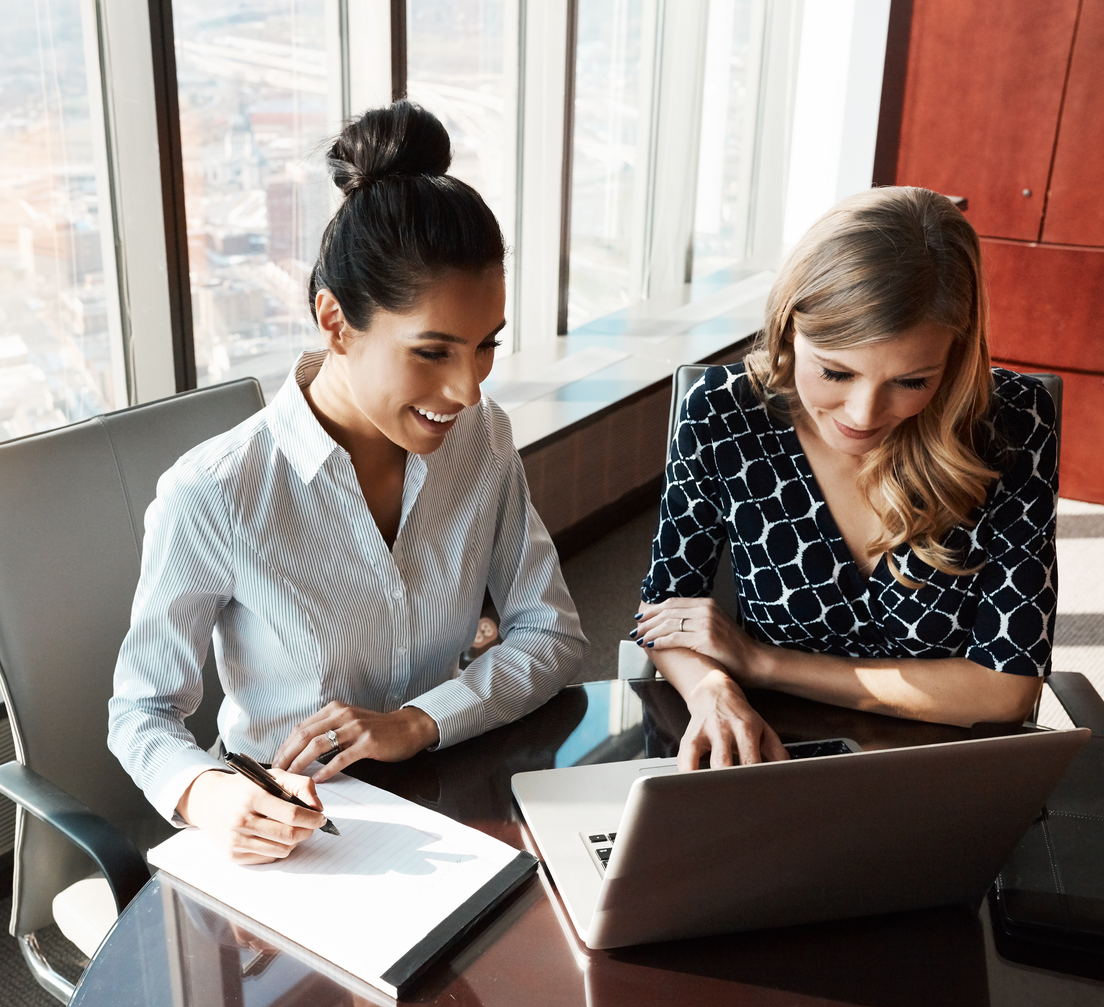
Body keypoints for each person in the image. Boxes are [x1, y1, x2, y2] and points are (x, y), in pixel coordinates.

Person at [108, 101, 588, 863]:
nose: (467, 389)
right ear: (334, 322)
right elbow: (142, 712)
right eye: (432, 352)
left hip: (456, 794)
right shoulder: (216, 494)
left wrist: (419, 721)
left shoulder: (482, 436)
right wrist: (211, 794)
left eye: (485, 346)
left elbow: (551, 632)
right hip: (302, 837)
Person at [632, 186, 1057, 770]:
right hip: (768, 755)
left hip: (943, 768)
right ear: (789, 329)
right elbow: (667, 609)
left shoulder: (1011, 421)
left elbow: (1007, 691)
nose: (863, 414)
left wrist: (762, 664)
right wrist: (712, 687)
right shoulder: (724, 413)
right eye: (836, 371)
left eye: (911, 381)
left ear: (953, 360)